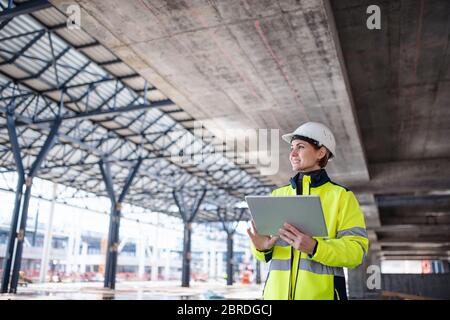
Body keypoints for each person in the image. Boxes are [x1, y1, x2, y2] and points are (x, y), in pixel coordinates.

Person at [247, 122, 368, 300]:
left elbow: (356, 252)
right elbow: (265, 254)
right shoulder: (277, 195)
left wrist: (316, 248)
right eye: (292, 148)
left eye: (300, 147)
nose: (293, 154)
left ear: (321, 152)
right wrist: (261, 247)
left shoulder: (341, 197)